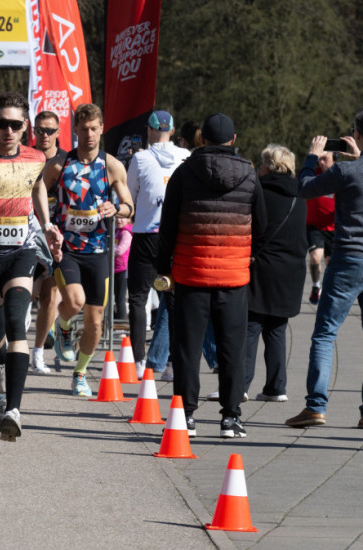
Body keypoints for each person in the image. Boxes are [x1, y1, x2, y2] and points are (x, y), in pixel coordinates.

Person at [156, 113, 266, 438]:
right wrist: (246, 252)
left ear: (201, 139)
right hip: (233, 276)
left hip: (191, 274)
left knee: (187, 348)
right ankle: (230, 417)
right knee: (231, 347)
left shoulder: (184, 172)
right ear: (233, 140)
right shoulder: (249, 174)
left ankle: (185, 415)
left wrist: (163, 268)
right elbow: (261, 225)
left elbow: (168, 227)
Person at [286, 108, 363, 431]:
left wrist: (311, 156)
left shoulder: (346, 172)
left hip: (349, 259)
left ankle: (316, 406)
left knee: (325, 332)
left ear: (357, 134)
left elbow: (304, 187)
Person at [0, 91, 58, 440]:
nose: (8, 130)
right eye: (2, 123)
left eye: (15, 125)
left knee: (18, 323)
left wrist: (47, 226)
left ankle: (14, 410)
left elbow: (37, 193)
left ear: (25, 127)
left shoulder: (36, 158)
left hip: (21, 252)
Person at [44, 103, 134, 396]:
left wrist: (116, 207)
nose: (89, 134)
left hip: (99, 250)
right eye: (83, 129)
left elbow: (130, 207)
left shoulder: (112, 166)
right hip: (67, 249)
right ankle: (64, 323)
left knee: (96, 322)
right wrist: (47, 223)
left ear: (101, 129)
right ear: (76, 130)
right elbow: (37, 193)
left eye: (94, 129)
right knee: (75, 301)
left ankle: (80, 374)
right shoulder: (61, 164)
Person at [125, 111, 189, 376]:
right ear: (172, 131)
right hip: (177, 237)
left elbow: (129, 199)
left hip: (146, 235)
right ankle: (172, 363)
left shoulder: (140, 158)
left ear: (150, 131)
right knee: (175, 300)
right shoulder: (186, 157)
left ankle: (139, 362)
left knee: (138, 298)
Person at [244, 144, 307, 403]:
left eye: (261, 164)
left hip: (262, 268)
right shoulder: (302, 194)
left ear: (268, 166)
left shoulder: (259, 193)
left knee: (250, 327)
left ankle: (241, 385)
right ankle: (276, 387)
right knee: (277, 329)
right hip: (291, 271)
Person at [29, 111, 65, 374]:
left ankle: (38, 352)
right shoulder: (25, 157)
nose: (44, 135)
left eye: (49, 131)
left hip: (56, 234)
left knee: (49, 296)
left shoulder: (66, 161)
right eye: (40, 130)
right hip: (26, 232)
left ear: (58, 132)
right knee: (23, 294)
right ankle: (8, 343)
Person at [305, 151, 336, 305]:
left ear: (334, 159)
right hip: (314, 225)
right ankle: (316, 286)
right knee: (315, 257)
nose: (321, 162)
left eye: (325, 159)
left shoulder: (340, 175)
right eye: (320, 159)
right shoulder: (313, 175)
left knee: (331, 263)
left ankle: (326, 288)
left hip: (334, 227)